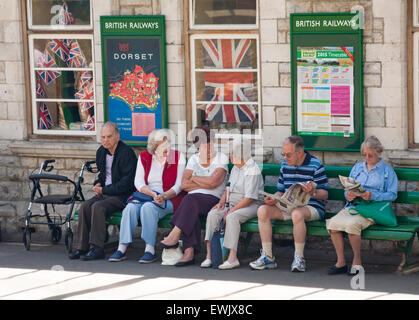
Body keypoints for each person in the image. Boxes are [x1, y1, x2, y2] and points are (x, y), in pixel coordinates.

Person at [249, 135, 329, 272]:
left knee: (297, 214)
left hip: (312, 207)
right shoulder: (285, 165)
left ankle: (299, 258)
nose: (285, 157)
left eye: (288, 154)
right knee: (263, 210)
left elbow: (325, 195)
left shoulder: (315, 165)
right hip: (288, 206)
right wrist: (274, 198)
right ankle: (268, 257)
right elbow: (280, 191)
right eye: (283, 154)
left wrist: (313, 191)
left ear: (299, 153)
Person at [108, 129, 186, 263]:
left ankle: (149, 249)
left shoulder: (176, 157)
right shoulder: (145, 157)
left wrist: (164, 196)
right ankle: (122, 247)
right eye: (163, 144)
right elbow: (138, 182)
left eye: (168, 143)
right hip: (146, 195)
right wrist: (152, 193)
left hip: (170, 197)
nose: (167, 147)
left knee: (148, 208)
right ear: (154, 146)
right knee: (130, 208)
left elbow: (179, 185)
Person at [326, 136, 398, 275]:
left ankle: (357, 261)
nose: (367, 157)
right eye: (364, 154)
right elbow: (347, 189)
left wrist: (373, 195)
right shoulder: (358, 167)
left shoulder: (387, 171)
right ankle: (341, 262)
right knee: (333, 223)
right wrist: (349, 195)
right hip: (354, 206)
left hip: (372, 209)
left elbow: (392, 195)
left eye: (370, 155)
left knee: (352, 225)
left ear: (379, 152)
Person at [159, 126, 229, 266]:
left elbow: (214, 183)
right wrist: (205, 181)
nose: (209, 149)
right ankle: (189, 252)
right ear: (197, 147)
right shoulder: (193, 159)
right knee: (191, 208)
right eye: (205, 146)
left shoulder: (221, 158)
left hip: (214, 199)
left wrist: (195, 177)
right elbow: (184, 184)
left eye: (211, 145)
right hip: (193, 202)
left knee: (189, 201)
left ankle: (175, 235)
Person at [69, 122, 137, 261]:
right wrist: (98, 184)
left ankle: (97, 248)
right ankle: (82, 247)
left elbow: (127, 183)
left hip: (122, 196)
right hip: (105, 192)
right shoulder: (101, 151)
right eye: (103, 137)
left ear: (117, 137)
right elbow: (102, 175)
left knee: (97, 207)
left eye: (109, 137)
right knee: (85, 206)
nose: (106, 140)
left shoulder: (127, 153)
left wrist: (104, 189)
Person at [201, 138, 264, 270]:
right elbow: (228, 188)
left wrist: (231, 211)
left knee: (232, 217)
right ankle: (210, 256)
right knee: (213, 214)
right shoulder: (236, 167)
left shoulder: (252, 169)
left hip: (251, 206)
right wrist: (221, 202)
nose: (229, 156)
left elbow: (249, 198)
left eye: (231, 154)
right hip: (233, 204)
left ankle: (232, 258)